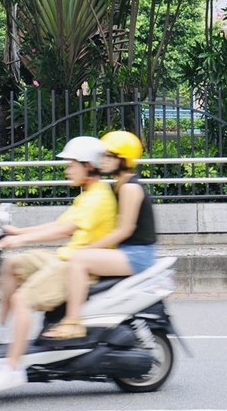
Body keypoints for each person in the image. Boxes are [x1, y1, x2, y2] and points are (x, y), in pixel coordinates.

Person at [0, 135, 117, 392]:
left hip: (77, 267)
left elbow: (64, 231)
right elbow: (57, 225)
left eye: (71, 164)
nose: (66, 170)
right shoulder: (87, 195)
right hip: (65, 256)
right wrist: (17, 232)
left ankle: (13, 368)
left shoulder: (98, 198)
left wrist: (21, 240)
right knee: (12, 266)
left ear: (88, 165)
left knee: (23, 300)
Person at [41, 130, 158, 340]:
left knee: (78, 260)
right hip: (129, 252)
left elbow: (124, 230)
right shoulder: (120, 185)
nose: (103, 161)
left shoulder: (130, 188)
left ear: (123, 159)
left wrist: (88, 249)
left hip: (137, 255)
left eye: (109, 156)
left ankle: (73, 322)